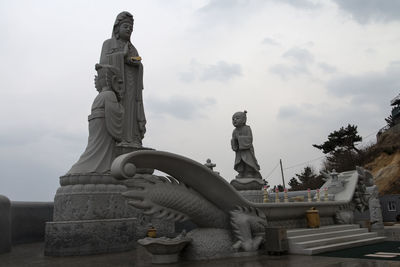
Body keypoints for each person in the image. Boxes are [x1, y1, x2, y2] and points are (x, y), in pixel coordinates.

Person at [100, 11, 146, 148]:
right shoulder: (108, 44)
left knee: (131, 110)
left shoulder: (133, 49)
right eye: (126, 26)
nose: (129, 30)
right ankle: (119, 138)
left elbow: (138, 63)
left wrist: (136, 64)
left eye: (131, 28)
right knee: (120, 108)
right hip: (117, 86)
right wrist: (121, 56)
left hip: (132, 84)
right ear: (117, 28)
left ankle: (132, 139)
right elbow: (103, 63)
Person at [67, 64, 124, 174]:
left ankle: (88, 168)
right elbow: (115, 113)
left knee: (95, 149)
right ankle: (100, 168)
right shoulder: (109, 95)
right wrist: (121, 107)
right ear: (113, 81)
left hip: (97, 126)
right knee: (102, 151)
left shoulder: (100, 96)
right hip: (104, 127)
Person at [231, 111, 262, 179]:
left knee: (248, 161)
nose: (234, 120)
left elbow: (249, 139)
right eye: (233, 119)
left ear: (244, 120)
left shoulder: (247, 128)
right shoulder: (234, 131)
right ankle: (241, 173)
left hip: (247, 150)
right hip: (239, 151)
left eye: (237, 118)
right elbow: (233, 141)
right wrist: (234, 141)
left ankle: (249, 172)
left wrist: (239, 139)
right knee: (240, 162)